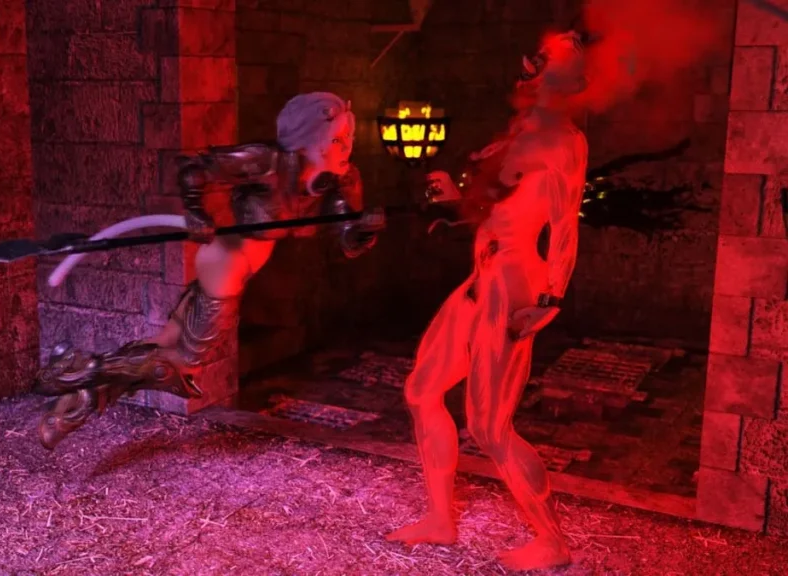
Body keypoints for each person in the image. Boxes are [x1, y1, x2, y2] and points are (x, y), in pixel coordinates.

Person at [36, 92, 386, 450]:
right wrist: (196, 213)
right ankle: (76, 370)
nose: (346, 148)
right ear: (309, 139)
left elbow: (349, 241)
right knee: (180, 364)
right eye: (337, 140)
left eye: (349, 138)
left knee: (163, 347)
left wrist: (366, 229)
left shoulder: (341, 180)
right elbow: (195, 169)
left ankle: (75, 405)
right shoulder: (267, 162)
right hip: (227, 262)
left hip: (240, 269)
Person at [386, 32, 590, 572]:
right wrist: (455, 205)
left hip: (515, 282)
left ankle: (552, 541)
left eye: (540, 66)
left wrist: (550, 298)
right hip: (481, 278)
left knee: (489, 426)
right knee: (422, 390)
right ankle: (440, 519)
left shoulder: (565, 140)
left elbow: (565, 225)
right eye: (528, 64)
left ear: (563, 80)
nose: (526, 73)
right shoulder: (517, 133)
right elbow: (494, 207)